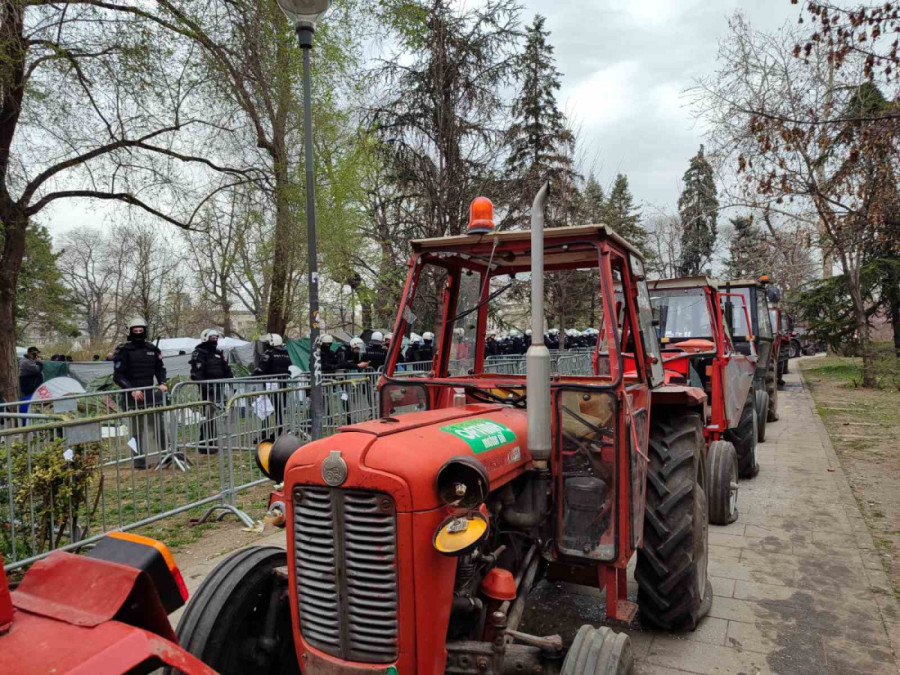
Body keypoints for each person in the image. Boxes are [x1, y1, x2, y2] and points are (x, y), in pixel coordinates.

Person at [113, 318, 168, 469]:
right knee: (136, 430)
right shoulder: (124, 350)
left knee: (158, 426)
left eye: (140, 330)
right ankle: (138, 460)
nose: (138, 333)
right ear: (130, 331)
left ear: (145, 331)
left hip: (150, 395)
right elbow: (118, 376)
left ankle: (166, 454)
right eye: (135, 330)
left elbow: (160, 369)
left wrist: (162, 382)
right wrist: (131, 389)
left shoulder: (152, 349)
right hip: (132, 396)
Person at [190, 329, 234, 455]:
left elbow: (226, 368)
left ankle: (213, 441)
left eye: (216, 338)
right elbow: (196, 374)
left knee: (217, 416)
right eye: (212, 338)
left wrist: (231, 381)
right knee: (208, 417)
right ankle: (205, 444)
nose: (214, 340)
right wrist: (206, 387)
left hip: (219, 388)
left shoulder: (218, 353)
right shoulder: (199, 352)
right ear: (205, 338)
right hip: (207, 391)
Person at [253, 333, 293, 437]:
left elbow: (261, 369)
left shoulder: (268, 354)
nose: (266, 344)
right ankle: (279, 431)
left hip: (270, 385)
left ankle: (264, 433)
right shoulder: (286, 353)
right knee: (279, 409)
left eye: (267, 342)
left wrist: (253, 375)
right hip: (283, 384)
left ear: (271, 342)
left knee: (265, 408)